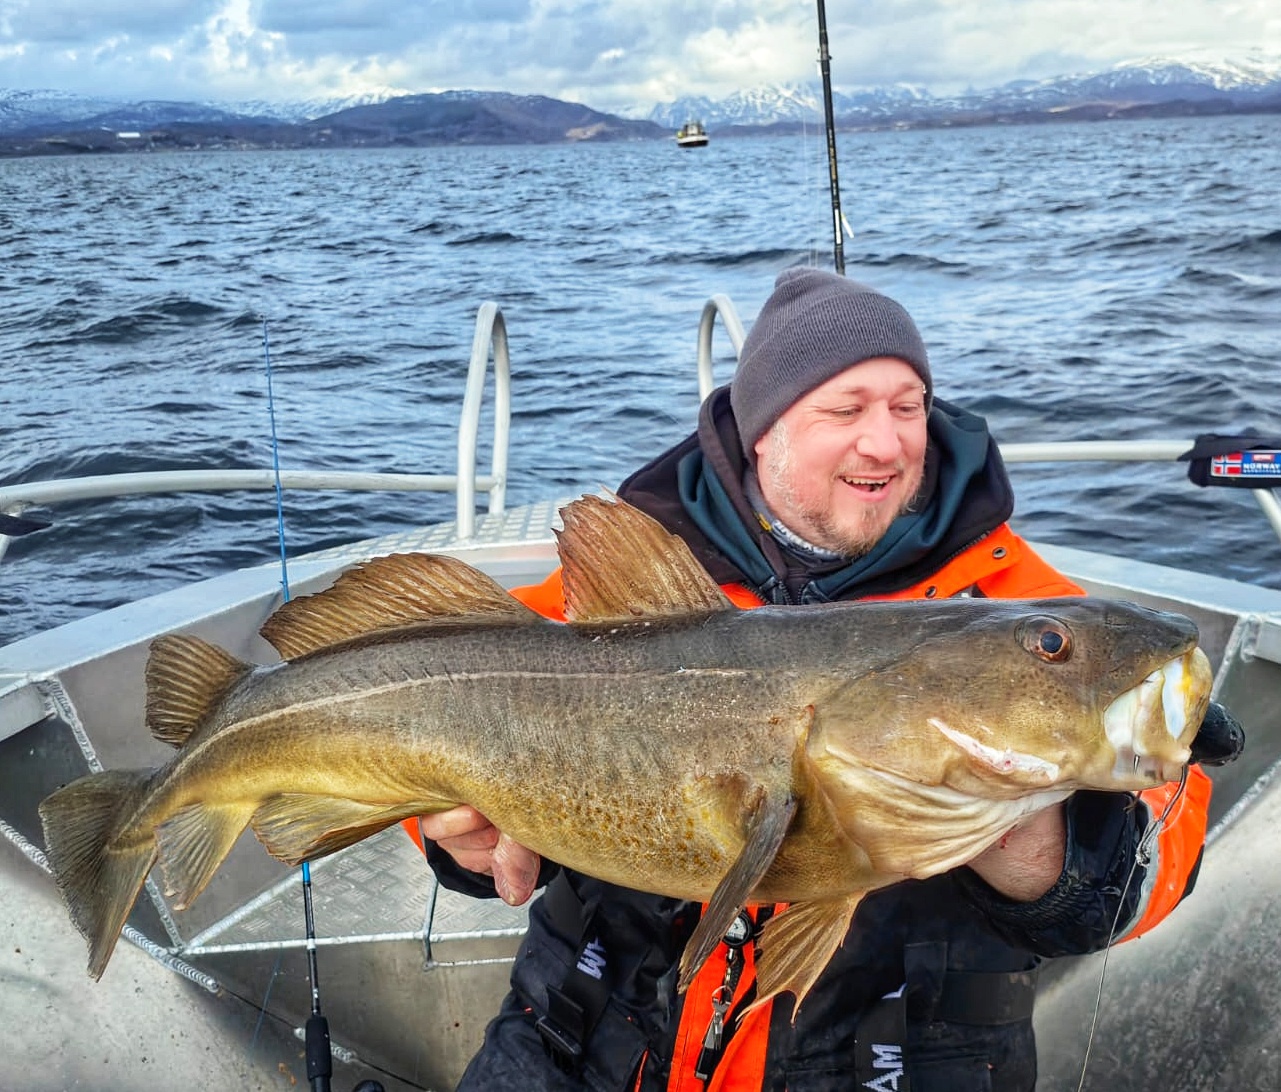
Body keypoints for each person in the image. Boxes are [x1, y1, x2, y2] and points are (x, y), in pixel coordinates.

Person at [418, 267, 1231, 1092]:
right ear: (760, 431)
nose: (884, 443)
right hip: (573, 1039)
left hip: (895, 1065)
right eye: (843, 410)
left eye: (906, 406)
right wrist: (453, 834)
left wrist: (1053, 857)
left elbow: (1162, 864)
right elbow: (423, 717)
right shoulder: (623, 588)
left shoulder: (1021, 610)